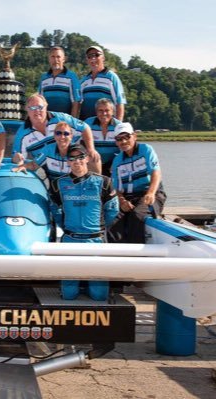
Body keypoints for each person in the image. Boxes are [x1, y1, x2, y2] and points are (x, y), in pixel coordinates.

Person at [51, 144, 119, 301]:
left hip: (96, 240)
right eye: (72, 158)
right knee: (69, 295)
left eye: (81, 157)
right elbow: (56, 211)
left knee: (99, 295)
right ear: (67, 161)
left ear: (87, 158)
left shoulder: (105, 182)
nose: (77, 161)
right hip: (70, 239)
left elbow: (112, 210)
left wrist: (98, 227)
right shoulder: (57, 184)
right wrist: (68, 227)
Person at [12, 93, 101, 173]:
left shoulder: (60, 118)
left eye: (40, 107)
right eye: (32, 108)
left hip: (72, 159)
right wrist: (18, 159)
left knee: (94, 157)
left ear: (46, 106)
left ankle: (98, 187)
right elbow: (18, 158)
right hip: (47, 168)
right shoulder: (22, 133)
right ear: (27, 109)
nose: (37, 111)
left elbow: (85, 127)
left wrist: (91, 149)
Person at [110, 122, 167, 244]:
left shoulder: (146, 149)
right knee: (111, 218)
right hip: (129, 197)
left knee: (136, 215)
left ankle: (136, 255)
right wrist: (122, 201)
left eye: (127, 137)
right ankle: (117, 254)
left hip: (152, 193)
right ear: (116, 142)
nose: (123, 141)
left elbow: (156, 173)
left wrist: (151, 193)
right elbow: (117, 188)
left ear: (134, 136)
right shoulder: (117, 160)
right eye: (119, 139)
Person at [80, 46, 127, 122]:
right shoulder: (83, 81)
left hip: (107, 127)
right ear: (87, 60)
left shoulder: (111, 77)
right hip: (88, 127)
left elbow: (120, 103)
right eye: (90, 56)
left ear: (103, 58)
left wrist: (118, 127)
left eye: (97, 55)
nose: (93, 58)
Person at [38, 46, 81, 117]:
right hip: (48, 122)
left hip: (65, 122)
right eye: (53, 57)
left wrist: (72, 123)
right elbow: (40, 101)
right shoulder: (44, 78)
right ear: (49, 59)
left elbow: (76, 102)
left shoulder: (71, 76)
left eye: (58, 57)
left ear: (64, 59)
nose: (55, 60)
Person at [85, 98, 122, 176]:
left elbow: (125, 148)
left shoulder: (119, 126)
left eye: (107, 110)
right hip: (93, 160)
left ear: (112, 112)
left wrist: (117, 161)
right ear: (96, 112)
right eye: (100, 110)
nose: (104, 113)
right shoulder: (88, 123)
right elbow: (77, 142)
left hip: (113, 161)